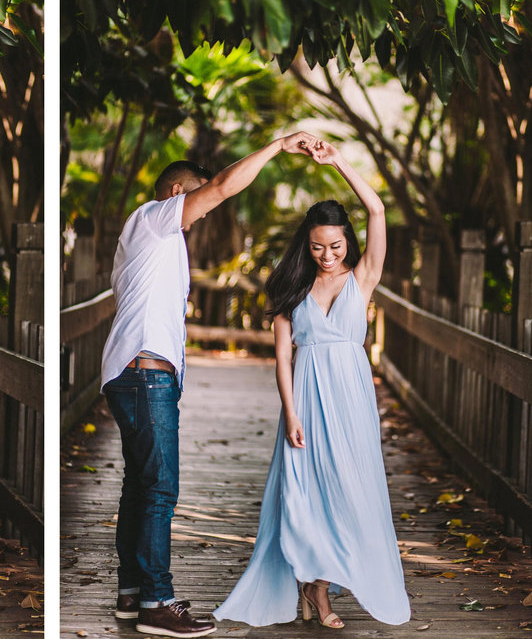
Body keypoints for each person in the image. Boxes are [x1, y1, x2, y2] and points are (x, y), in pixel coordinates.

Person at [100, 132, 321, 638]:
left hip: (135, 374)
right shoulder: (156, 220)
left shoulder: (152, 239)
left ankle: (132, 594)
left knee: (140, 487)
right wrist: (278, 145)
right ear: (178, 192)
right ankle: (158, 602)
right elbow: (222, 186)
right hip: (144, 374)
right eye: (196, 202)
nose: (201, 215)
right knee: (160, 487)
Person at [212, 141, 410, 628]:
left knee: (349, 492)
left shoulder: (362, 279)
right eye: (318, 246)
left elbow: (378, 208)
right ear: (307, 243)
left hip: (352, 400)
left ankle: (319, 581)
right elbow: (283, 358)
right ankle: (317, 594)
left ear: (349, 243)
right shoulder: (290, 289)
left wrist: (338, 160)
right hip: (304, 401)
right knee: (306, 495)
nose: (327, 255)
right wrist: (291, 412)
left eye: (336, 245)